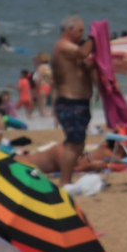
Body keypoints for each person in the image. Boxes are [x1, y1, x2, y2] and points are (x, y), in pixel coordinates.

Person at [47, 17, 97, 184]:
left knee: (79, 143)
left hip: (79, 102)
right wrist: (95, 37)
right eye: (80, 31)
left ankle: (67, 179)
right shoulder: (62, 46)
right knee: (73, 144)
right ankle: (65, 181)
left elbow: (81, 68)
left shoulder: (71, 50)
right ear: (70, 30)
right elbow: (83, 53)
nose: (82, 34)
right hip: (70, 102)